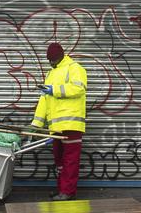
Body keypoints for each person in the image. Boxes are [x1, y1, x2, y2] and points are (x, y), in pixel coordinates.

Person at [31, 42, 87, 200]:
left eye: (53, 60)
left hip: (71, 124)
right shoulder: (51, 73)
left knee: (70, 160)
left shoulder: (75, 68)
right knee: (59, 160)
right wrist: (36, 124)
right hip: (56, 126)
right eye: (49, 60)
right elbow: (44, 100)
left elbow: (79, 89)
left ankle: (68, 192)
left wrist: (54, 90)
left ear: (61, 56)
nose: (51, 63)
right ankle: (62, 188)